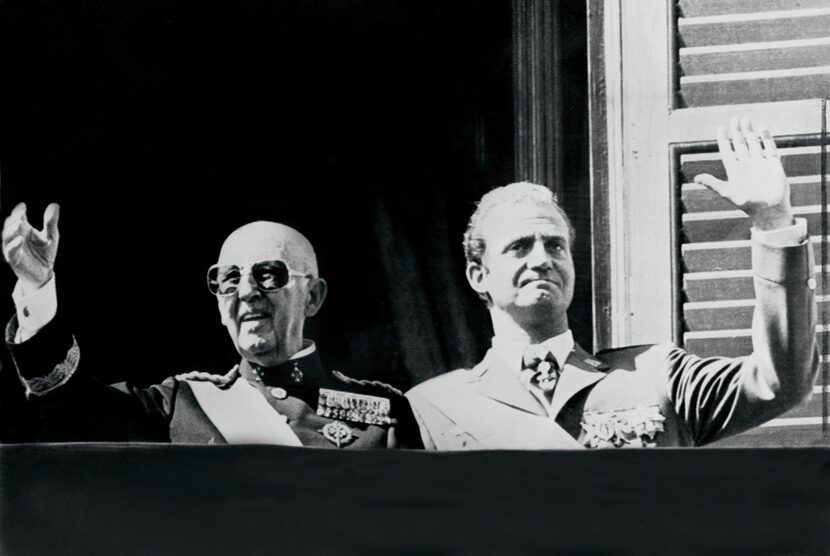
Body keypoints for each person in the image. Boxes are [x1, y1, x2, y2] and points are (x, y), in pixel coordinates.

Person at [405, 117, 819, 449]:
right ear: (479, 276)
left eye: (555, 245)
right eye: (519, 247)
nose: (542, 259)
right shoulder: (433, 409)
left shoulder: (657, 377)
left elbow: (778, 381)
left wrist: (773, 223)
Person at [2, 214, 422, 448]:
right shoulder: (182, 404)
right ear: (220, 305)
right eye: (228, 278)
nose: (246, 291)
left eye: (269, 275)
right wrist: (38, 292)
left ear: (312, 297)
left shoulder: (383, 412)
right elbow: (75, 410)